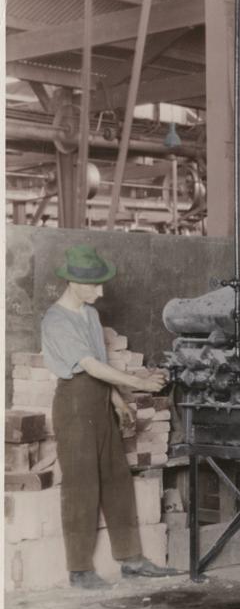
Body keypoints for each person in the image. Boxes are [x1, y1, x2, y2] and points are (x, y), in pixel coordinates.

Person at [41, 245, 179, 589]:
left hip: (100, 401)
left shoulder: (89, 315)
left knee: (118, 479)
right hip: (74, 405)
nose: (100, 292)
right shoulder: (56, 320)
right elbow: (88, 366)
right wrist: (140, 383)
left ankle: (131, 560)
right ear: (73, 281)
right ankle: (80, 570)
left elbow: (103, 368)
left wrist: (118, 402)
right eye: (94, 285)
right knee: (81, 486)